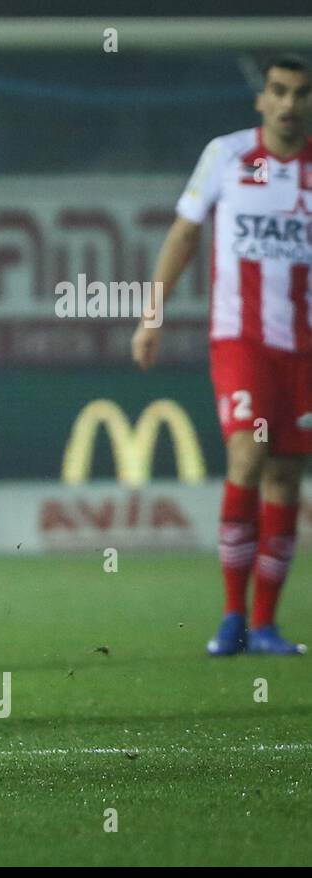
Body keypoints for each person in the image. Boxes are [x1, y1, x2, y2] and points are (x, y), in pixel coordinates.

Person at [133, 54, 310, 657]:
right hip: (242, 339)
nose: (289, 103)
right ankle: (232, 615)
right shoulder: (227, 155)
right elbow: (184, 233)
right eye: (279, 91)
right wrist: (152, 315)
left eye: (301, 94)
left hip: (306, 349)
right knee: (247, 452)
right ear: (261, 99)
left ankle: (264, 624)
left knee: (287, 474)